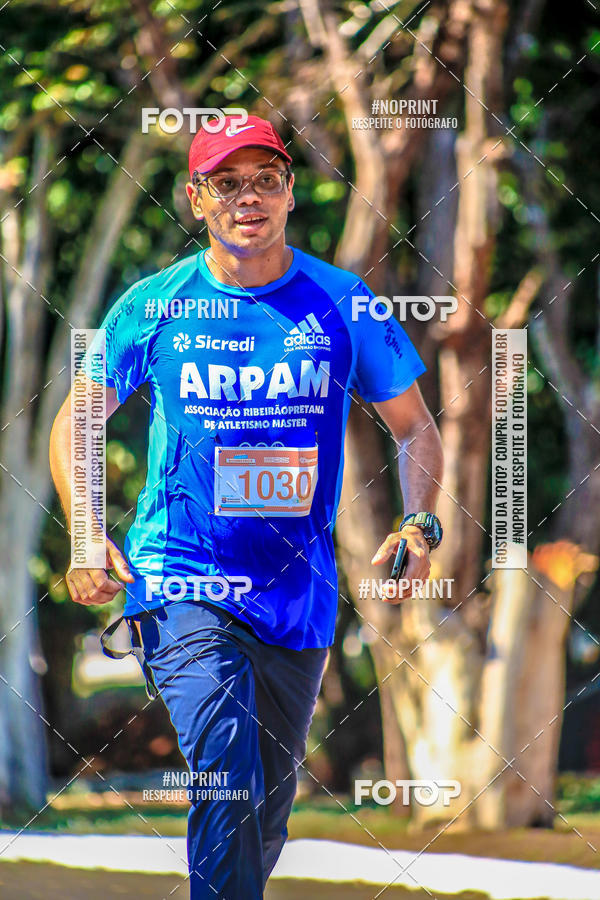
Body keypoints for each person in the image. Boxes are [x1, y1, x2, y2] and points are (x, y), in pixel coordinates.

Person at [49, 113, 444, 899]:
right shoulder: (156, 305)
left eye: (266, 179)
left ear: (291, 192)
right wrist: (87, 529)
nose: (248, 197)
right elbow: (77, 420)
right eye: (226, 183)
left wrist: (418, 523)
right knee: (225, 760)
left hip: (297, 597)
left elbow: (416, 429)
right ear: (197, 199)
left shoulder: (343, 303)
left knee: (261, 812)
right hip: (179, 578)